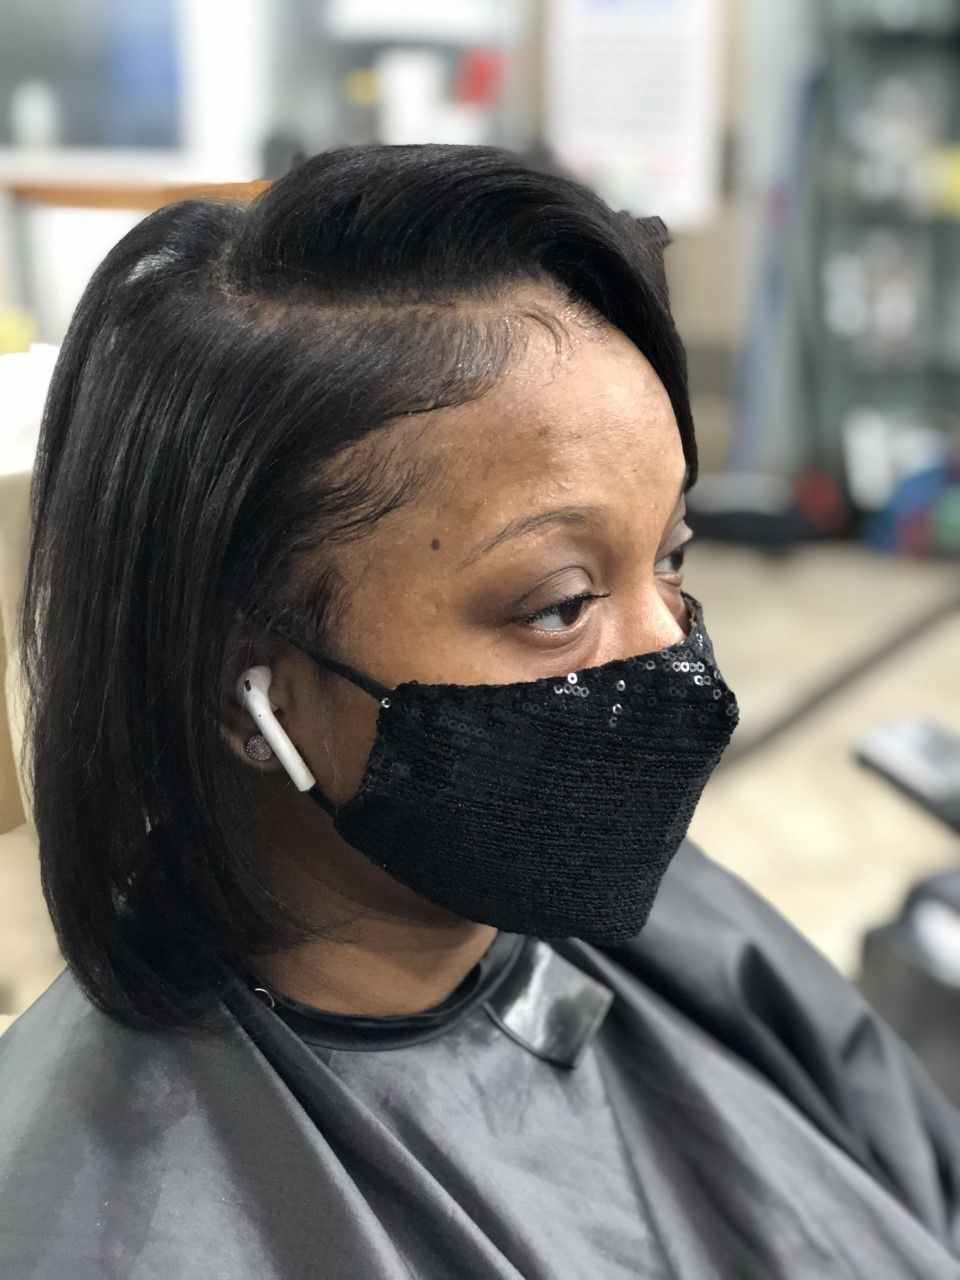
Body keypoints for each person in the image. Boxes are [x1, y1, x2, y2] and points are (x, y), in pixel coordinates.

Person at [1, 145, 959, 1280]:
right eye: (561, 604)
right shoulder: (96, 1219)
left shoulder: (671, 924)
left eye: (673, 559)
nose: (675, 659)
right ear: (243, 688)